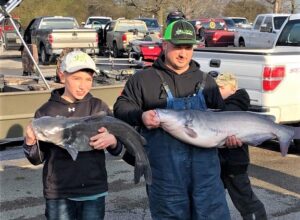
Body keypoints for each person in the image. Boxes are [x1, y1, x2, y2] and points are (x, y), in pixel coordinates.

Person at [114, 20, 242, 219]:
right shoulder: (143, 79)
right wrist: (141, 115)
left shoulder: (206, 82)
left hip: (206, 179)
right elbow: (121, 107)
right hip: (166, 180)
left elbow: (222, 118)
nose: (183, 53)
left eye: (188, 47)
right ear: (164, 45)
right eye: (177, 47)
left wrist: (231, 141)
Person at [23, 51, 123, 220]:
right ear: (62, 76)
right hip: (59, 192)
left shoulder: (98, 107)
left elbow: (118, 148)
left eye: (88, 79)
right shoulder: (46, 112)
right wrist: (29, 142)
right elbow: (37, 159)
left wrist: (113, 141)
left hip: (93, 189)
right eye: (76, 78)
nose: (82, 85)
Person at [216, 73, 268, 220]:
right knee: (214, 202)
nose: (217, 91)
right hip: (218, 162)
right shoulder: (217, 104)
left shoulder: (233, 106)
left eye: (221, 87)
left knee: (247, 202)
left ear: (233, 88)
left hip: (234, 164)